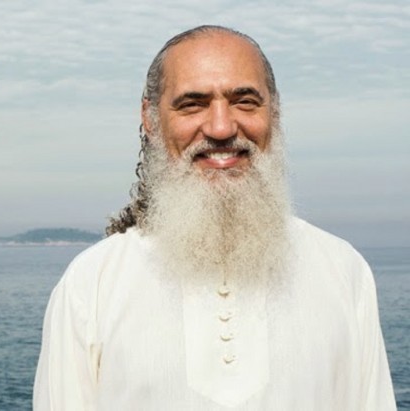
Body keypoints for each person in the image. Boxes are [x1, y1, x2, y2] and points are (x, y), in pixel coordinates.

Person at [33, 25, 396, 410]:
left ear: (274, 113)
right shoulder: (91, 285)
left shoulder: (343, 271)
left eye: (244, 102)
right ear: (150, 119)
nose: (221, 127)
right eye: (193, 104)